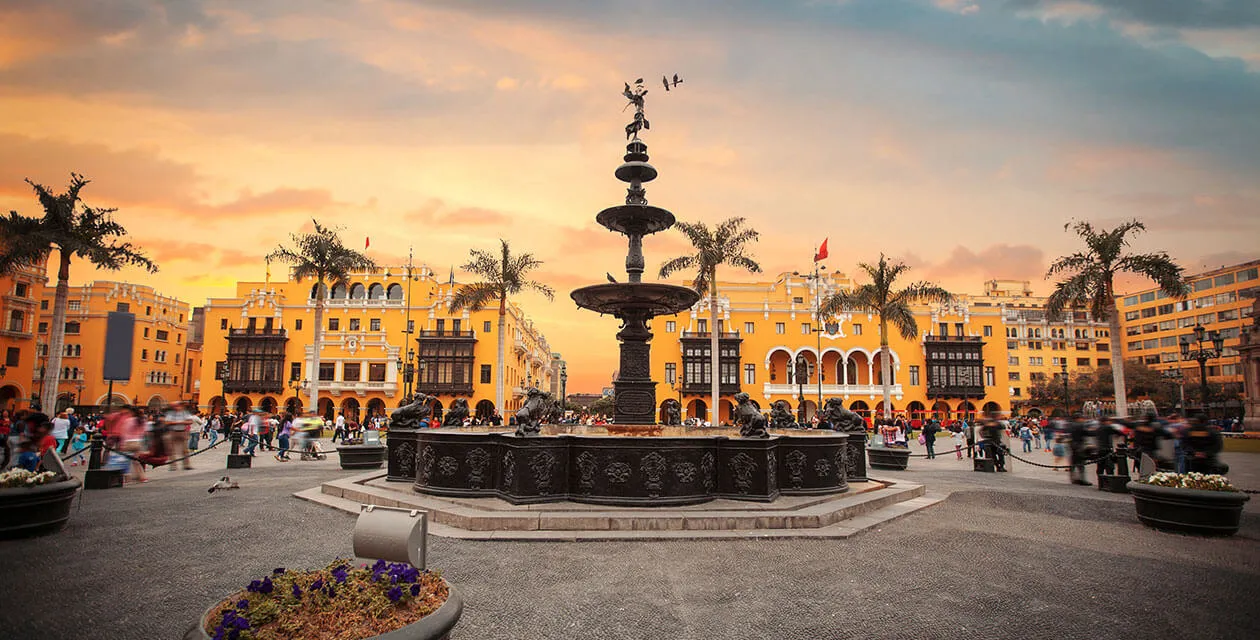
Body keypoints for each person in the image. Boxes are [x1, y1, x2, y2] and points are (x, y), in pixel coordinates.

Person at [162, 401, 195, 470]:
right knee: (171, 450)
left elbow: (190, 421)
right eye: (175, 406)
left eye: (178, 405)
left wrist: (176, 422)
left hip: (182, 431)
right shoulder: (170, 413)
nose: (176, 407)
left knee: (185, 450)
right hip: (172, 431)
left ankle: (186, 465)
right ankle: (173, 466)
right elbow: (167, 422)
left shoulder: (185, 413)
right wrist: (181, 422)